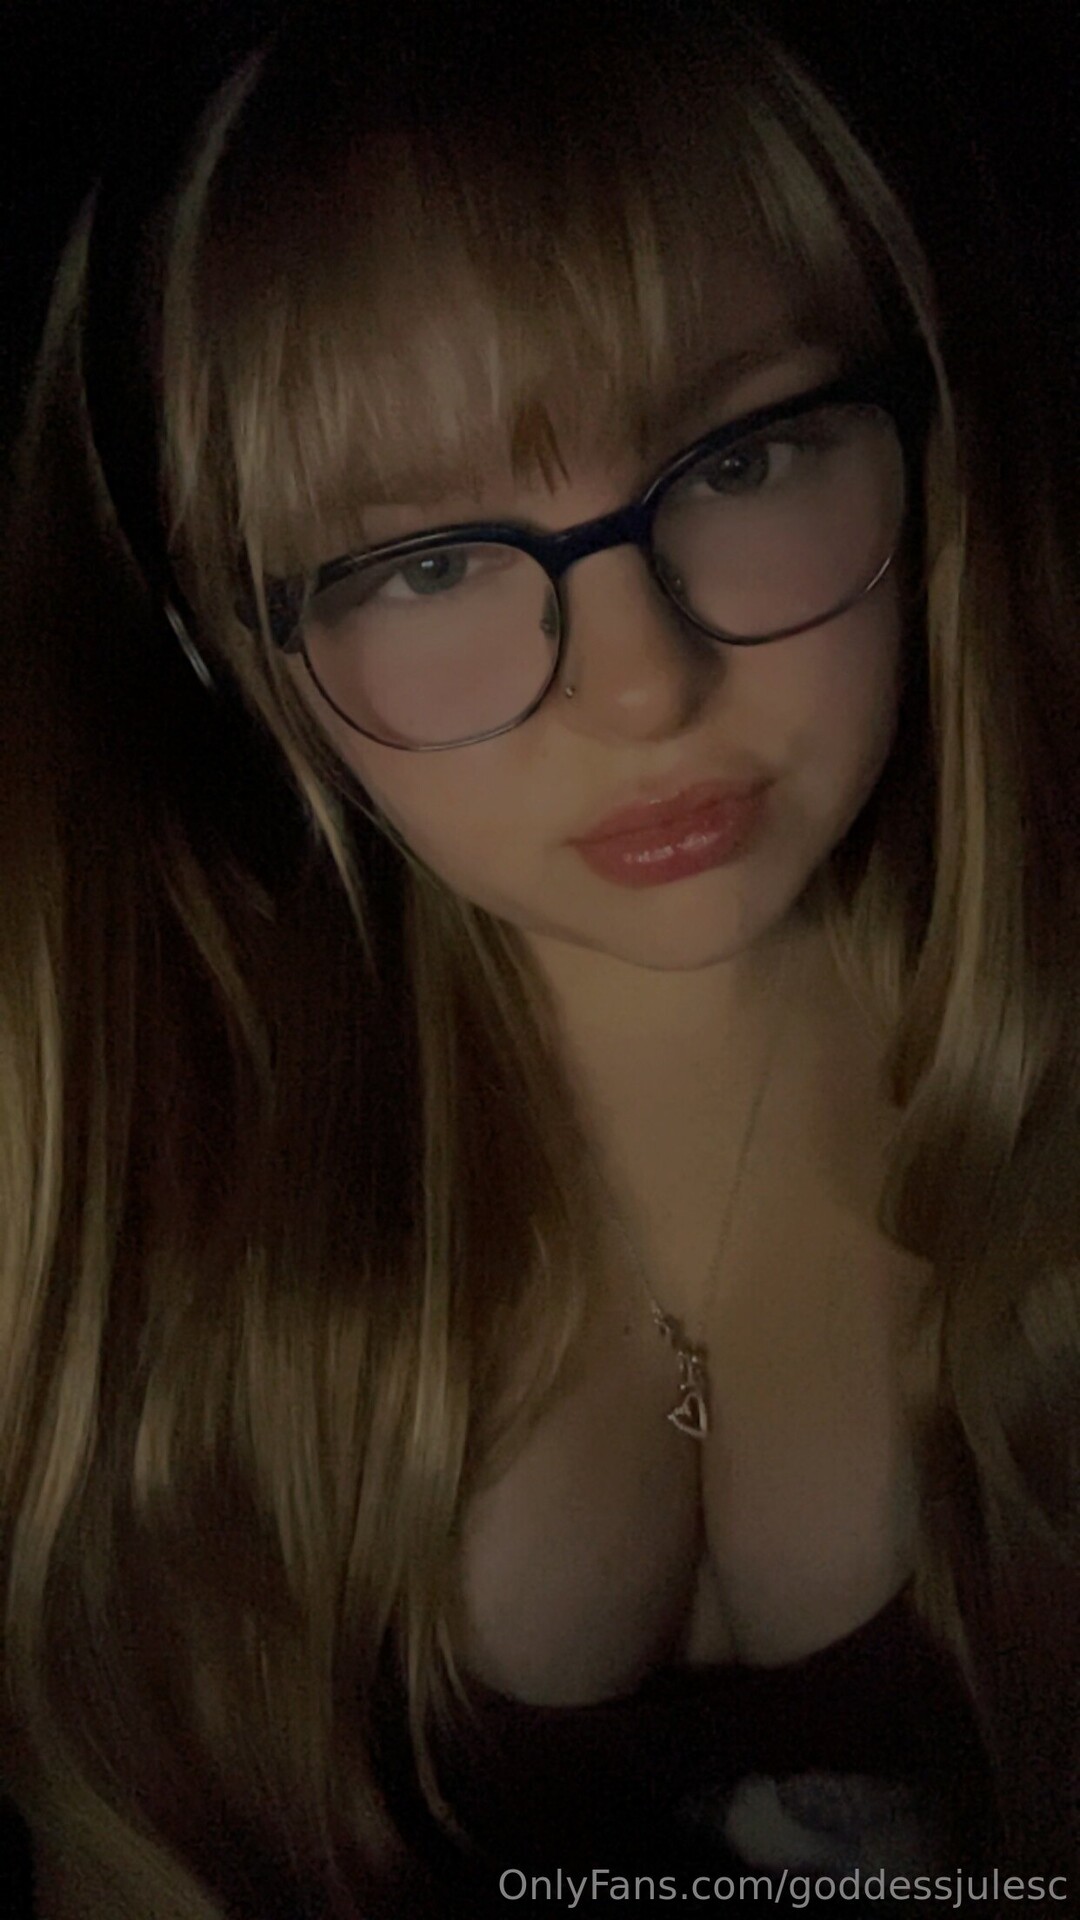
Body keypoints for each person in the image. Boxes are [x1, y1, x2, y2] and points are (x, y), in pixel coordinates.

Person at [1, 1, 1077, 1914]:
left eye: (742, 459)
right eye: (426, 562)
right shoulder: (104, 1154)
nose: (642, 684)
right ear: (234, 648)